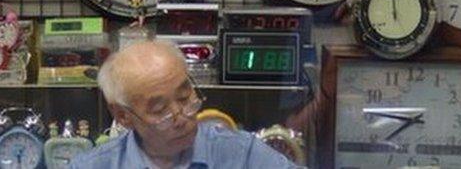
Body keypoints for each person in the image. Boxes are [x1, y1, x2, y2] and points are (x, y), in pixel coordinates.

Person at [69, 39, 300, 168]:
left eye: (185, 98)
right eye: (160, 110)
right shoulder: (94, 166)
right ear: (123, 116)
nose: (181, 118)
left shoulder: (242, 155)